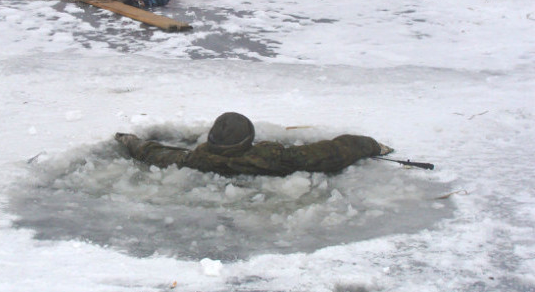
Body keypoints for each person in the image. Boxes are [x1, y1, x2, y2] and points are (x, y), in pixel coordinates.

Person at [115, 112, 393, 177]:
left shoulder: (196, 160)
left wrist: (128, 140)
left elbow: (155, 153)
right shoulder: (276, 158)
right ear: (249, 140)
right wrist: (371, 145)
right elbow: (333, 152)